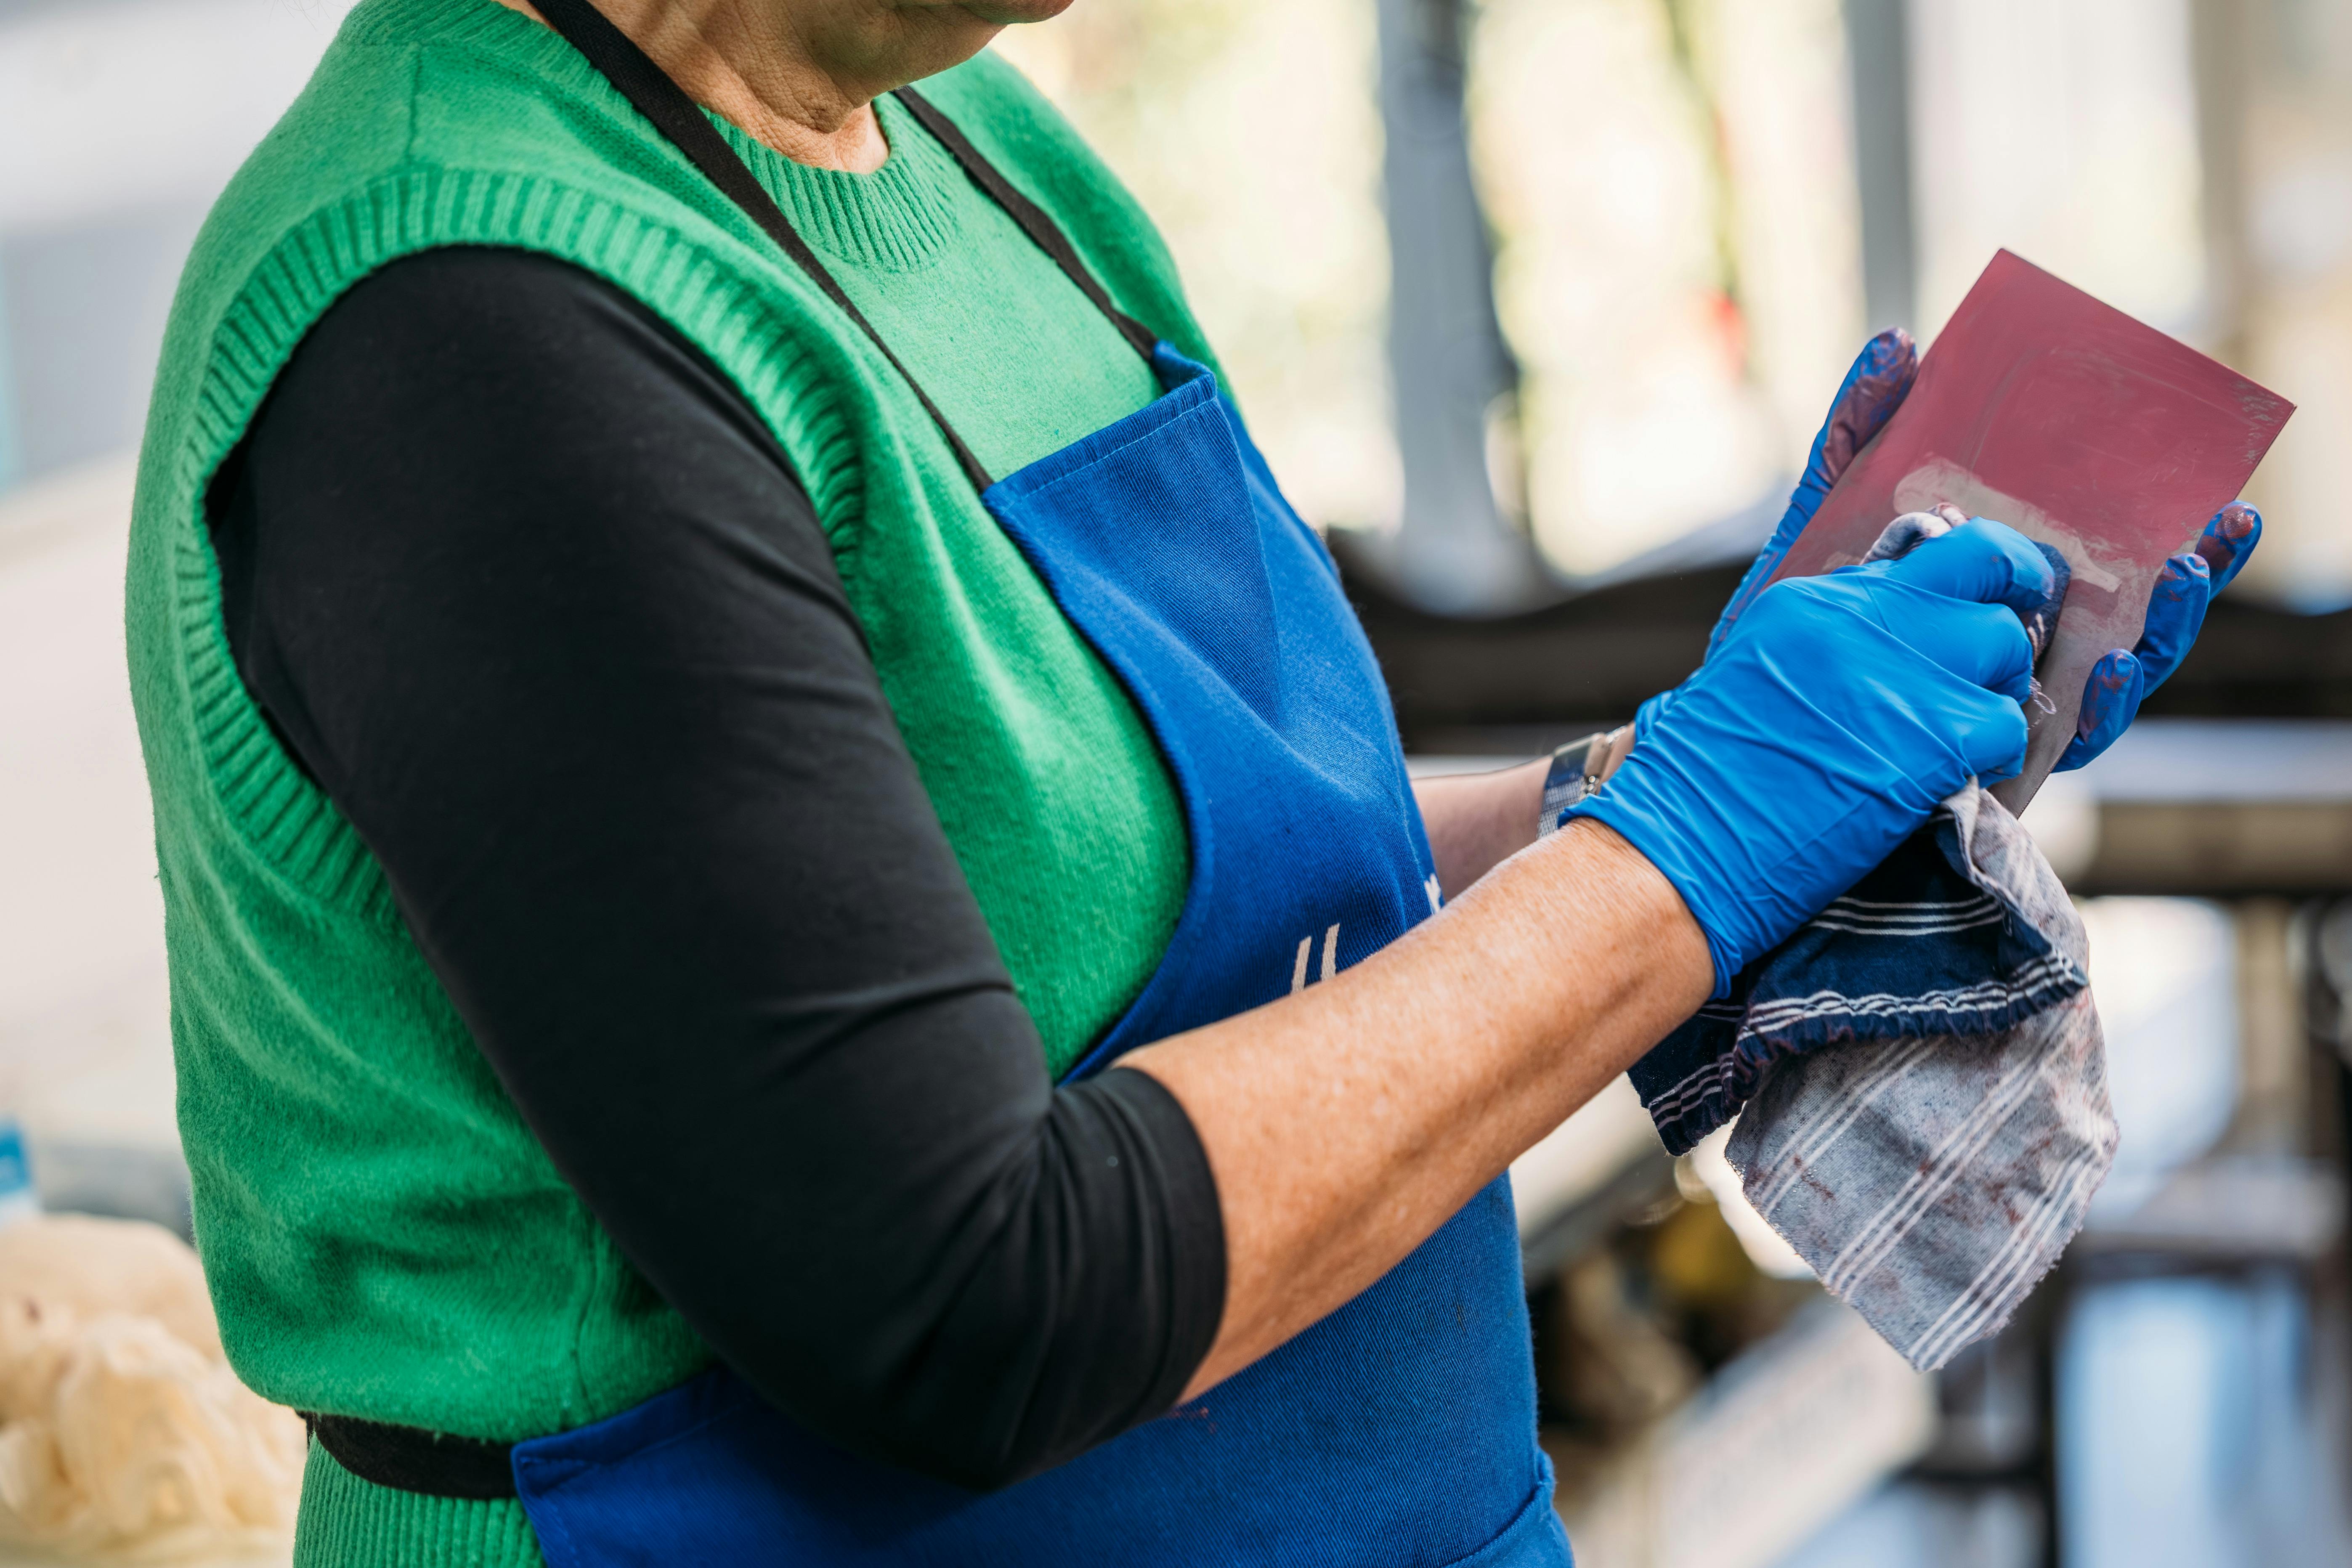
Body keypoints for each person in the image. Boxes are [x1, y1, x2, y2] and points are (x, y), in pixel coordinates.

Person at [125, 0, 2256, 1562]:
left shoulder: (966, 149)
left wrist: (1707, 780)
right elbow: (963, 1298)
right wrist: (1682, 841)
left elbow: (1159, 866)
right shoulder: (474, 323)